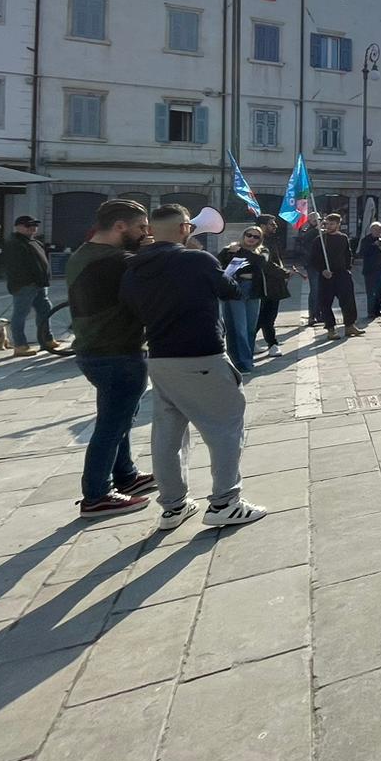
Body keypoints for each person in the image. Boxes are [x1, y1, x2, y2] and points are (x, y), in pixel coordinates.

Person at [118, 205, 265, 530]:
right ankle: (226, 502)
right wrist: (200, 259)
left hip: (160, 358)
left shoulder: (134, 267)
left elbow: (132, 308)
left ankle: (173, 507)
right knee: (226, 427)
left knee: (168, 434)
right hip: (202, 356)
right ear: (186, 228)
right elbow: (231, 291)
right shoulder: (197, 260)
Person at [67, 199, 157, 516]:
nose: (146, 233)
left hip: (97, 350)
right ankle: (97, 494)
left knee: (119, 419)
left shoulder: (84, 253)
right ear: (120, 227)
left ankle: (126, 476)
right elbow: (154, 278)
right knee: (111, 425)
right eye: (141, 227)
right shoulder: (116, 260)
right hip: (116, 351)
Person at [2, 214, 57, 357]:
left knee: (45, 310)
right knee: (21, 314)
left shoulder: (34, 242)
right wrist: (27, 282)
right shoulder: (14, 243)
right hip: (25, 285)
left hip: (40, 284)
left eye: (34, 225)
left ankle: (47, 339)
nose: (32, 228)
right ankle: (20, 345)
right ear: (18, 227)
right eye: (28, 225)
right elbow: (15, 267)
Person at [217, 226, 268, 372]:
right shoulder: (229, 250)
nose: (251, 238)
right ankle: (242, 363)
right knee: (238, 328)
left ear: (260, 240)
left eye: (256, 237)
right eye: (249, 235)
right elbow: (218, 263)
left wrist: (239, 251)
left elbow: (260, 262)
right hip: (235, 289)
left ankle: (247, 359)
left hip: (253, 290)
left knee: (250, 328)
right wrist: (231, 251)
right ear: (243, 235)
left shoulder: (262, 251)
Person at [315, 212, 363, 338]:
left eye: (332, 224)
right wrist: (322, 270)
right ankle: (331, 328)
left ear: (338, 224)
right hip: (327, 275)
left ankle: (349, 325)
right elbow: (313, 258)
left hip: (342, 274)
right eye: (327, 224)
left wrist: (348, 268)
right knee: (325, 302)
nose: (329, 226)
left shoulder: (343, 238)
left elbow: (348, 254)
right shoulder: (320, 238)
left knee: (348, 301)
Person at [254, 215, 291, 358]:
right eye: (271, 224)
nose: (275, 225)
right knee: (266, 316)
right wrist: (284, 273)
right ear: (263, 226)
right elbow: (267, 264)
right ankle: (273, 344)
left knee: (266, 316)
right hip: (264, 284)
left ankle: (251, 341)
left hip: (274, 284)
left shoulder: (272, 240)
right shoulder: (258, 241)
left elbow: (276, 259)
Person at [358, 222, 381, 321]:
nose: (377, 232)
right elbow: (362, 253)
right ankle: (371, 312)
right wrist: (373, 245)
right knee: (371, 292)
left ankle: (377, 309)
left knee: (380, 292)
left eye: (379, 230)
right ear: (371, 230)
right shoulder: (366, 240)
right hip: (370, 270)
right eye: (375, 230)